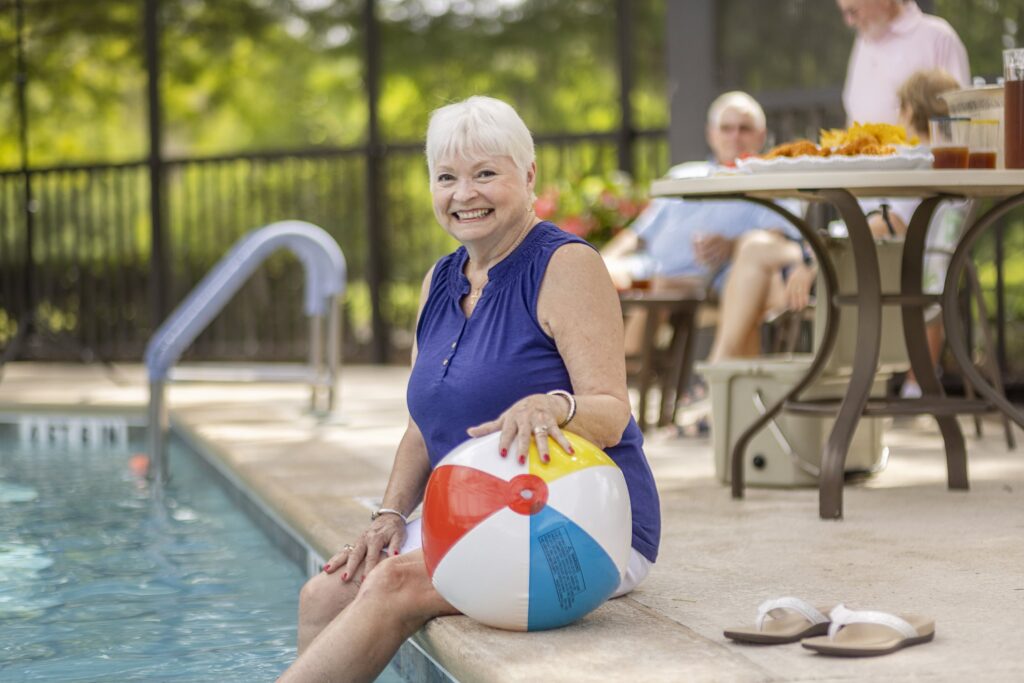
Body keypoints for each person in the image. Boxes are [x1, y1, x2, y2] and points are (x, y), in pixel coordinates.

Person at [279, 96, 661, 682]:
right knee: (325, 593)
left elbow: (611, 414)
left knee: (394, 584)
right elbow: (420, 426)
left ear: (528, 176)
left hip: (578, 515)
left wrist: (554, 407)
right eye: (447, 178)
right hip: (479, 506)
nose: (464, 194)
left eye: (486, 173)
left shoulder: (566, 266)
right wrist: (388, 516)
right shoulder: (440, 279)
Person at [601, 91, 799, 353]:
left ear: (761, 136)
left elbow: (778, 241)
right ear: (711, 134)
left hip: (706, 281)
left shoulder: (771, 183)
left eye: (744, 129)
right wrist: (597, 261)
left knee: (658, 289)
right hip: (646, 268)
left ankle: (622, 374)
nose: (734, 136)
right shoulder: (682, 175)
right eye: (726, 128)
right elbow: (636, 235)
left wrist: (732, 245)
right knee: (583, 280)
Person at [838, 0, 970, 125]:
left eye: (853, 11)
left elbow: (959, 114)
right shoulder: (863, 40)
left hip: (923, 149)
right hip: (863, 149)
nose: (849, 21)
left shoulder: (938, 37)